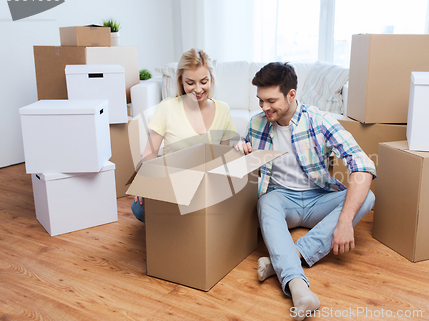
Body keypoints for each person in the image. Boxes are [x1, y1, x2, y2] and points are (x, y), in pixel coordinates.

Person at [235, 62, 376, 320]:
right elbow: (247, 168)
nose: (264, 107)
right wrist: (242, 152)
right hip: (281, 199)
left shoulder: (319, 121)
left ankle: (289, 256)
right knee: (266, 203)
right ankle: (299, 289)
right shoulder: (256, 125)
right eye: (260, 100)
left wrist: (345, 221)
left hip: (317, 198)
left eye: (270, 100)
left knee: (367, 196)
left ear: (291, 94)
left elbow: (362, 165)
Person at [131, 48, 237, 222]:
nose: (198, 89)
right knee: (139, 208)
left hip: (206, 184)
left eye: (204, 81)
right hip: (172, 183)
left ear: (211, 79)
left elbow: (223, 156)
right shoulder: (167, 107)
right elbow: (149, 153)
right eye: (190, 83)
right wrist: (145, 182)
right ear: (181, 81)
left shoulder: (223, 109)